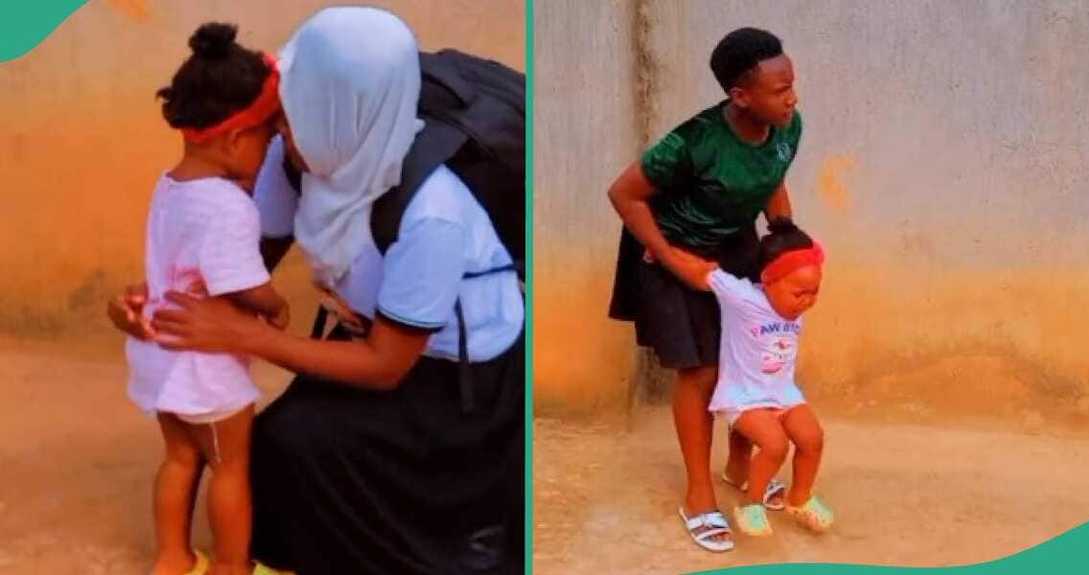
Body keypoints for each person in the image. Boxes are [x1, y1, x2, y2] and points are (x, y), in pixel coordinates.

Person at [110, 7, 524, 574]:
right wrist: (158, 300)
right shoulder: (302, 155)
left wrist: (242, 334)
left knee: (308, 450)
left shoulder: (433, 213)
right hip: (371, 337)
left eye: (293, 117)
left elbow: (386, 365)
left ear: (344, 113)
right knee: (272, 448)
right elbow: (236, 267)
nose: (279, 132)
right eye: (282, 115)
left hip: (458, 385)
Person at [606, 26, 801, 552]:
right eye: (781, 90)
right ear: (741, 96)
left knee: (748, 355)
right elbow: (624, 194)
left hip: (735, 243)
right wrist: (672, 259)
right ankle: (698, 494)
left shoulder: (787, 126)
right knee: (702, 370)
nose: (792, 98)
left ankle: (740, 465)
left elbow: (772, 177)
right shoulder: (693, 143)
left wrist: (785, 246)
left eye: (792, 85)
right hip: (669, 249)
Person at [124, 22, 287, 575]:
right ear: (236, 139)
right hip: (205, 366)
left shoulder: (170, 185)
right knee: (230, 467)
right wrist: (273, 305)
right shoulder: (228, 205)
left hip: (161, 350)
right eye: (267, 136)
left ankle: (172, 556)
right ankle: (232, 566)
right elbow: (239, 281)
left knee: (178, 458)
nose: (272, 148)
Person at [701, 221, 833, 538]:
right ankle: (750, 504)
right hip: (743, 396)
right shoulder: (743, 298)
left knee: (812, 438)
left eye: (814, 292)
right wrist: (661, 250)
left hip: (782, 392)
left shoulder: (793, 308)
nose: (807, 301)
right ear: (769, 280)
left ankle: (800, 498)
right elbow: (701, 272)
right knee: (775, 445)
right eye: (799, 293)